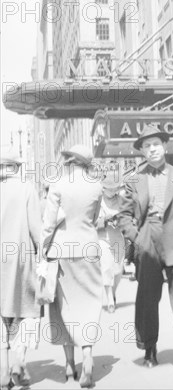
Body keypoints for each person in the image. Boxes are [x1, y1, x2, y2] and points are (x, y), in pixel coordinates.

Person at [118, 125, 173, 382]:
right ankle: (149, 348)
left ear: (165, 146)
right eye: (146, 145)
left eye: (156, 143)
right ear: (142, 151)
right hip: (148, 245)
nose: (152, 149)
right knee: (147, 299)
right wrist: (138, 238)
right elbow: (123, 216)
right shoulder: (133, 179)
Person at [40, 144, 103, 388]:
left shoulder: (58, 185)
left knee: (63, 305)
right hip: (88, 247)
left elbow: (48, 224)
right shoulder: (96, 186)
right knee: (88, 300)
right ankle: (87, 356)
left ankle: (68, 367)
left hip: (62, 249)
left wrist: (44, 251)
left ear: (68, 162)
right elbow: (95, 218)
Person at [0, 150, 41, 390]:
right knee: (28, 310)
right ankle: (19, 360)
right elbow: (36, 228)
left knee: (2, 313)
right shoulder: (27, 188)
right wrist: (45, 254)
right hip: (22, 257)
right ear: (15, 168)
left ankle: (3, 369)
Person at [97, 172, 126, 313]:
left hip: (118, 237)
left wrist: (119, 220)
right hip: (103, 238)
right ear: (104, 188)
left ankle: (113, 292)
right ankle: (109, 299)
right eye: (110, 189)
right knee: (106, 268)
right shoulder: (97, 201)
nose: (113, 191)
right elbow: (90, 221)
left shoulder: (121, 200)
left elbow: (128, 216)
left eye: (115, 188)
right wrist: (105, 220)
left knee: (118, 270)